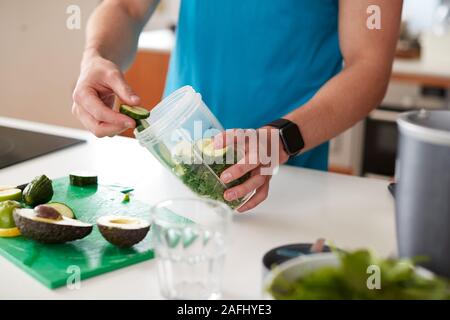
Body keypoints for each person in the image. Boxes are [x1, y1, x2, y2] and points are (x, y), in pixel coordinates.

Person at [72, 0, 403, 212]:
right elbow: (128, 7)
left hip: (288, 187)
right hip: (177, 175)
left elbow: (369, 65)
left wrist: (282, 139)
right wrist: (95, 57)